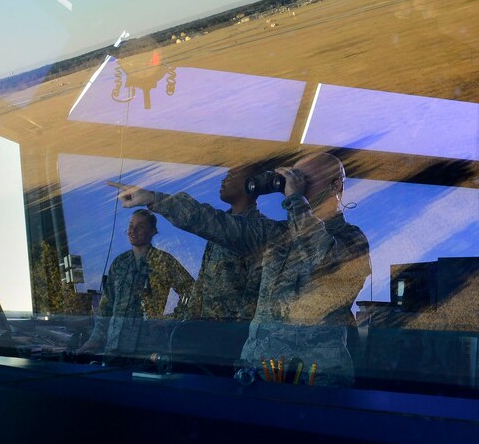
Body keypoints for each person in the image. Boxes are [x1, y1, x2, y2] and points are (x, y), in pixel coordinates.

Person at [107, 152, 372, 386]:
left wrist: (295, 202)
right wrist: (155, 199)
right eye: (293, 178)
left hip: (315, 380)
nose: (296, 186)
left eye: (305, 180)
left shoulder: (352, 240)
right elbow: (216, 224)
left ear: (336, 185)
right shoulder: (277, 234)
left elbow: (322, 259)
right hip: (257, 371)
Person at [78, 209, 194, 361]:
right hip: (115, 347)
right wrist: (94, 341)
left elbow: (192, 291)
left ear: (152, 231)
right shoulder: (120, 263)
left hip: (148, 349)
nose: (133, 230)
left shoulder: (163, 261)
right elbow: (106, 308)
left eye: (140, 226)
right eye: (131, 225)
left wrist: (171, 319)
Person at [185, 165, 267, 321]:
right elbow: (201, 282)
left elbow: (255, 292)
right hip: (206, 330)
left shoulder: (260, 230)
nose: (223, 180)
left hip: (233, 334)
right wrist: (189, 322)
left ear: (250, 184)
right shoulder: (218, 229)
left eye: (230, 175)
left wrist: (236, 332)